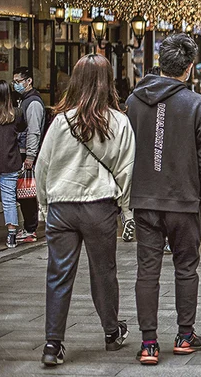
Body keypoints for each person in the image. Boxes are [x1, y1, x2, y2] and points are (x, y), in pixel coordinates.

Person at [36, 54, 135, 366]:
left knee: (58, 275)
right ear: (109, 83)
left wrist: (43, 205)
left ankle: (53, 345)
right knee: (103, 272)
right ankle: (111, 332)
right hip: (99, 208)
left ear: (75, 82)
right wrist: (126, 211)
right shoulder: (119, 122)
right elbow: (127, 172)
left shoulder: (59, 122)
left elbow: (42, 167)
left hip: (62, 207)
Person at [126, 33, 201, 365]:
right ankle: (184, 334)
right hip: (184, 200)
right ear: (190, 68)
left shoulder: (134, 101)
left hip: (145, 200)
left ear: (159, 64)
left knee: (147, 270)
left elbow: (126, 151)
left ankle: (148, 342)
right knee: (186, 267)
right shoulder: (197, 104)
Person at [12, 66, 45, 244]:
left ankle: (31, 229)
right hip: (24, 152)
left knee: (27, 192)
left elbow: (34, 131)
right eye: (14, 82)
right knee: (25, 192)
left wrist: (30, 156)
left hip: (27, 154)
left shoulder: (32, 103)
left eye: (18, 81)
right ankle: (29, 228)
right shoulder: (24, 100)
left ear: (28, 81)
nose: (15, 85)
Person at [0, 80, 25, 248]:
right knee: (9, 200)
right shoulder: (17, 113)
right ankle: (12, 235)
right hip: (10, 161)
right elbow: (22, 130)